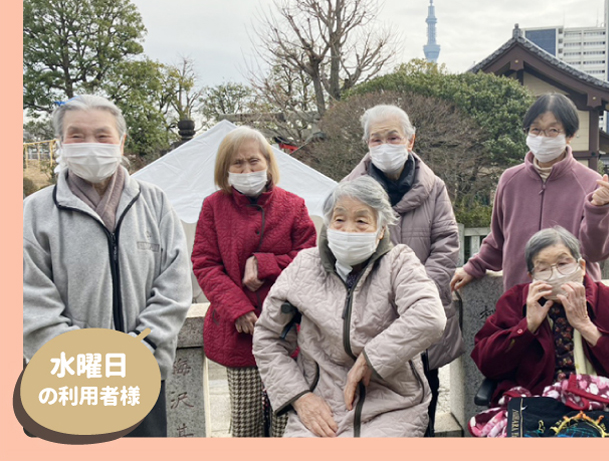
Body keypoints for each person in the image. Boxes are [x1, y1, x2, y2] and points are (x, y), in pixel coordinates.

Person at [23, 95, 192, 437]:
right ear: (61, 143)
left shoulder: (154, 202)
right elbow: (29, 300)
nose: (91, 145)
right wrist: (85, 363)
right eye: (77, 136)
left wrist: (142, 347)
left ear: (121, 141)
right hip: (65, 380)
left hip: (142, 373)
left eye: (102, 136)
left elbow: (174, 284)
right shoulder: (35, 211)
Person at [253, 177, 446, 437]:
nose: (348, 230)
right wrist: (299, 396)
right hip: (322, 404)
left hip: (392, 404)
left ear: (381, 230)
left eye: (362, 221)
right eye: (339, 219)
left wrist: (370, 359)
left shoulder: (399, 262)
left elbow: (430, 317)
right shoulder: (304, 266)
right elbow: (267, 337)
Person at [469, 227, 609, 437]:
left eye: (563, 264)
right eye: (543, 268)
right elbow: (488, 364)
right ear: (532, 276)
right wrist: (527, 326)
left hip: (599, 407)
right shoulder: (515, 302)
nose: (556, 274)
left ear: (581, 266)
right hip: (534, 405)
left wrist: (587, 327)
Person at [342, 104, 462, 436]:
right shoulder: (350, 189)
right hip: (372, 319)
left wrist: (416, 296)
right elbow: (343, 248)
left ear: (410, 140)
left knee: (424, 403)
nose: (384, 146)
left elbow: (446, 242)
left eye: (393, 137)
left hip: (422, 317)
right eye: (376, 139)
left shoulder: (434, 187)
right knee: (374, 414)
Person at [191, 126, 317, 437]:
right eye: (237, 163)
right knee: (245, 422)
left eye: (254, 161)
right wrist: (237, 308)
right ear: (225, 168)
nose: (247, 170)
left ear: (268, 163)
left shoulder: (293, 205)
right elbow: (205, 263)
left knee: (287, 421)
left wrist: (266, 263)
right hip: (239, 332)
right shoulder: (213, 207)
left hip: (288, 330)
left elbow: (310, 257)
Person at [451, 93, 609, 294]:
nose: (542, 137)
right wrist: (474, 267)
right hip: (520, 298)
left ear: (570, 135)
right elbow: (499, 239)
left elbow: (597, 252)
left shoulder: (591, 182)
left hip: (574, 298)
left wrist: (599, 210)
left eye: (553, 130)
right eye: (536, 129)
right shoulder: (510, 180)